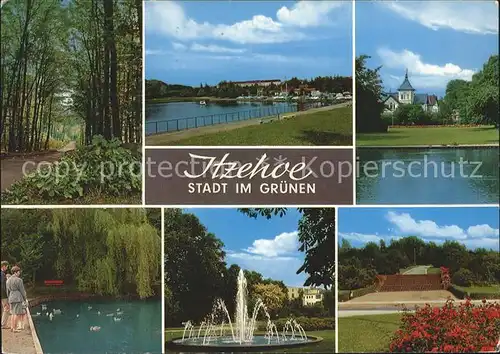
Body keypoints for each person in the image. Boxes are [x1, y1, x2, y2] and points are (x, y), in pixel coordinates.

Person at [6, 266, 27, 333]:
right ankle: (14, 328)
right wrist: (25, 298)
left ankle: (12, 327)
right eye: (18, 272)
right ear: (15, 272)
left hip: (11, 297)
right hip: (17, 297)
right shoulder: (19, 280)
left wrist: (8, 298)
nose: (19, 273)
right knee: (17, 313)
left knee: (12, 313)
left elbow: (7, 291)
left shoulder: (8, 280)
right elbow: (22, 290)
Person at [1, 261, 9, 329]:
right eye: (6, 266)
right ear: (3, 266)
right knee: (6, 309)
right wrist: (7, 295)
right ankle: (4, 325)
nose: (7, 268)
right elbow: (3, 286)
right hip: (3, 295)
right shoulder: (2, 274)